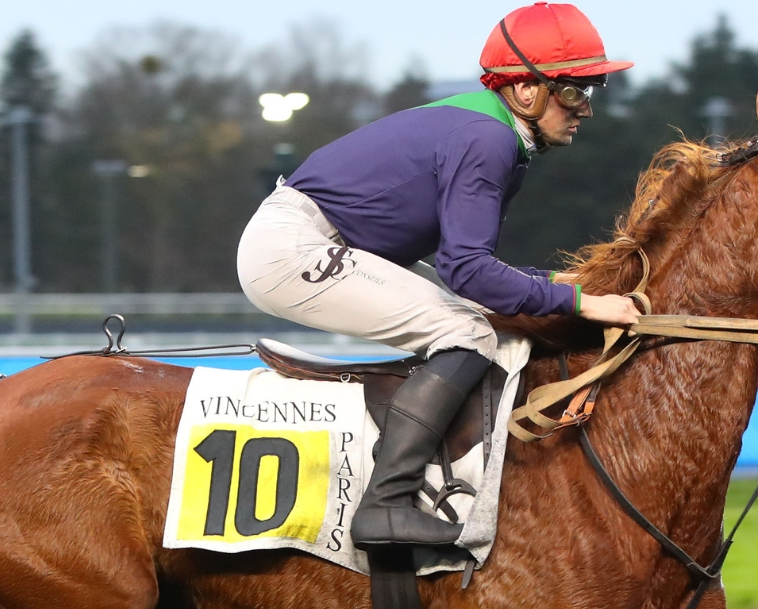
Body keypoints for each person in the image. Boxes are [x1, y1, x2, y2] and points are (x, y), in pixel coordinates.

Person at [237, 2, 642, 549]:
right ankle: (386, 503)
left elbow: (469, 268)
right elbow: (469, 270)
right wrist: (581, 303)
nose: (585, 109)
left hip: (322, 239)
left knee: (482, 322)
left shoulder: (489, 129)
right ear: (526, 90)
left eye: (589, 91)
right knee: (467, 332)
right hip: (294, 246)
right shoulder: (488, 138)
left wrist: (567, 286)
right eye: (573, 91)